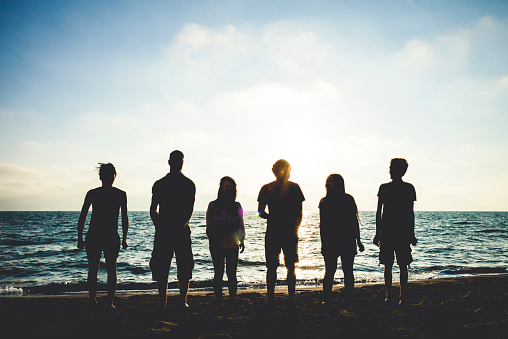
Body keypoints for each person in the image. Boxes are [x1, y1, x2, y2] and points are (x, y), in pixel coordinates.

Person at [77, 163, 128, 308]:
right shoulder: (92, 193)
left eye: (111, 175)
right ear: (101, 177)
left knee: (111, 268)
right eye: (106, 175)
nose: (109, 178)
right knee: (94, 267)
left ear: (114, 177)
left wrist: (124, 238)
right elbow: (83, 216)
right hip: (94, 235)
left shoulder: (120, 194)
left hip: (111, 235)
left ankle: (109, 301)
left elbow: (125, 217)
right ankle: (93, 300)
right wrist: (79, 237)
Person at [149, 150, 196, 310]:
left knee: (185, 267)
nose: (178, 163)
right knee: (162, 268)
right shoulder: (160, 184)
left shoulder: (189, 184)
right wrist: (159, 225)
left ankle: (182, 300)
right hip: (164, 232)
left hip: (181, 231)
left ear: (183, 162)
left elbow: (189, 210)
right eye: (175, 161)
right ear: (169, 162)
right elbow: (153, 209)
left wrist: (179, 225)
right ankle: (163, 301)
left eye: (181, 161)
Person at [258, 159, 305, 303]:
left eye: (289, 170)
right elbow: (260, 211)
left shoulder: (293, 187)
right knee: (277, 266)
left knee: (282, 267)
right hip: (279, 232)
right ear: (277, 171)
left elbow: (260, 212)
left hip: (282, 231)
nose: (288, 173)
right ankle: (278, 297)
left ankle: (282, 298)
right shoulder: (267, 188)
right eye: (286, 170)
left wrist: (273, 218)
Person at [373, 158, 417, 305]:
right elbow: (379, 212)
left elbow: (410, 213)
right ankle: (392, 295)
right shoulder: (385, 188)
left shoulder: (407, 188)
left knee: (399, 266)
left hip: (398, 232)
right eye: (390, 168)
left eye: (392, 168)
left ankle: (400, 295)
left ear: (401, 171)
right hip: (390, 232)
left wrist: (411, 234)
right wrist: (377, 232)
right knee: (390, 265)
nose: (390, 170)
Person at [319, 174, 364, 302]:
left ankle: (349, 297)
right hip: (331, 241)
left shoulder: (348, 199)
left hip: (347, 239)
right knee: (330, 271)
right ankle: (326, 298)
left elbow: (354, 222)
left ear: (338, 183)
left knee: (348, 271)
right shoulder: (324, 201)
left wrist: (358, 240)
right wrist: (323, 243)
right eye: (327, 181)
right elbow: (322, 225)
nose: (328, 183)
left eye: (331, 181)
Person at [206, 176, 245, 306]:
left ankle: (232, 299)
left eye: (231, 187)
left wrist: (242, 240)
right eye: (226, 186)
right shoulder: (213, 205)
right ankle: (219, 300)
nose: (228, 189)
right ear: (222, 188)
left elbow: (241, 224)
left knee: (232, 274)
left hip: (233, 244)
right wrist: (211, 240)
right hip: (217, 244)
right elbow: (209, 225)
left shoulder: (237, 206)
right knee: (218, 273)